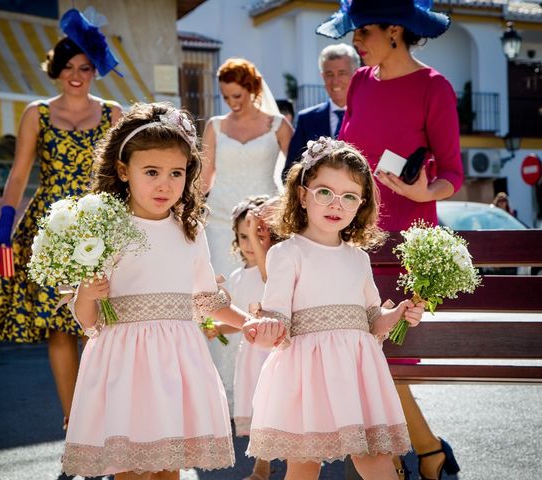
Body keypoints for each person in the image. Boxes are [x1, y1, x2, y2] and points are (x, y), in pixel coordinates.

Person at [61, 102, 254, 479]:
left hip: (176, 366)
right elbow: (88, 321)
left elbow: (203, 298)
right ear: (123, 170)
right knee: (131, 468)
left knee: (168, 469)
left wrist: (248, 322)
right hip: (124, 366)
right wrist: (88, 291)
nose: (165, 183)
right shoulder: (107, 227)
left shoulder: (190, 231)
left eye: (176, 173)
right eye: (151, 171)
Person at [317, 1, 464, 479]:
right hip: (356, 239)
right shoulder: (360, 82)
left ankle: (412, 455)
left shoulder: (434, 87)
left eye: (362, 32)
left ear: (395, 30)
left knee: (383, 359)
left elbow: (453, 174)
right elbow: (344, 158)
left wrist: (425, 189)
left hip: (407, 242)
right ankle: (423, 452)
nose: (355, 42)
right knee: (362, 356)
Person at [0, 7, 123, 464]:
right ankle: (72, 423)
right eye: (67, 68)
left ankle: (103, 424)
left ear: (94, 70)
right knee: (59, 328)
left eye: (84, 67)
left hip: (99, 224)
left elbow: (121, 175)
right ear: (55, 71)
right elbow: (19, 176)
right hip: (50, 229)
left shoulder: (114, 113)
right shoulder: (35, 113)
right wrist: (3, 225)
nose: (75, 75)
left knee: (100, 327)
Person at [242, 137, 425, 480]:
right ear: (302, 194)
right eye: (325, 192)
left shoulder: (358, 258)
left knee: (374, 459)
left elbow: (373, 319)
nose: (336, 204)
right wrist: (263, 330)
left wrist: (398, 312)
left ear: (361, 204)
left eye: (349, 196)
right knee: (303, 465)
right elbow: (276, 318)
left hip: (356, 373)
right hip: (307, 376)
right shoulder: (287, 253)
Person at [201, 57, 293, 405]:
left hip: (261, 225)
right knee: (222, 300)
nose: (232, 103)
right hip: (220, 221)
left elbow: (295, 176)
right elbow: (205, 178)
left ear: (254, 89)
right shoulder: (215, 125)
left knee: (260, 298)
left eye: (238, 95)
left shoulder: (278, 125)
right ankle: (224, 392)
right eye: (226, 97)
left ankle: (264, 389)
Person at [203, 194, 280, 480]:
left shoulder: (273, 267)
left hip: (273, 353)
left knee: (274, 407)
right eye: (243, 237)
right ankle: (263, 462)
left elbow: (266, 276)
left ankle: (262, 469)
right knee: (260, 410)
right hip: (251, 356)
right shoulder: (236, 277)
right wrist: (218, 327)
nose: (251, 244)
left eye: (258, 235)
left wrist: (257, 235)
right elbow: (243, 322)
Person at [281, 43, 360, 180]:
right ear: (322, 76)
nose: (335, 81)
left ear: (356, 74)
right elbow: (290, 172)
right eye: (329, 74)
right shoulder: (307, 119)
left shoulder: (370, 116)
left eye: (342, 73)